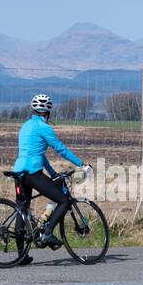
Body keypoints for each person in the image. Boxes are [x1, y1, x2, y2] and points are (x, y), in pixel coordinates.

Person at [13, 94, 91, 255]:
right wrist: (81, 164)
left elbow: (39, 154)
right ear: (47, 113)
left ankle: (21, 255)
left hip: (19, 172)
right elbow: (60, 148)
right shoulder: (44, 128)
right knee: (64, 201)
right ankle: (47, 234)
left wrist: (53, 173)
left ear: (34, 110)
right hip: (33, 173)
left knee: (22, 209)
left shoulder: (25, 126)